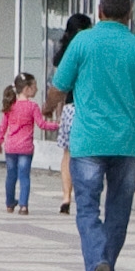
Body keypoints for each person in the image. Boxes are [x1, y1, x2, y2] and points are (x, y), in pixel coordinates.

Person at [47, 0, 135, 271]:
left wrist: (47, 108)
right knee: (118, 211)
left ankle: (98, 260)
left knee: (86, 207)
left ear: (99, 11)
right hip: (126, 142)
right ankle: (107, 266)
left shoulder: (83, 42)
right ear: (129, 16)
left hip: (87, 141)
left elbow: (59, 86)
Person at [0, 73, 57, 214]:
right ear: (26, 89)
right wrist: (57, 125)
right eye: (34, 86)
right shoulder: (32, 107)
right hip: (25, 148)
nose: (36, 89)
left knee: (11, 175)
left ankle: (9, 203)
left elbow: (3, 126)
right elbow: (42, 124)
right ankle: (24, 205)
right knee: (24, 176)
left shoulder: (10, 106)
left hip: (10, 147)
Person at [53, 13, 94, 215]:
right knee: (88, 156)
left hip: (69, 108)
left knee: (68, 154)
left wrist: (51, 106)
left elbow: (59, 83)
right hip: (88, 108)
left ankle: (65, 196)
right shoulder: (89, 49)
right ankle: (83, 196)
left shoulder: (65, 52)